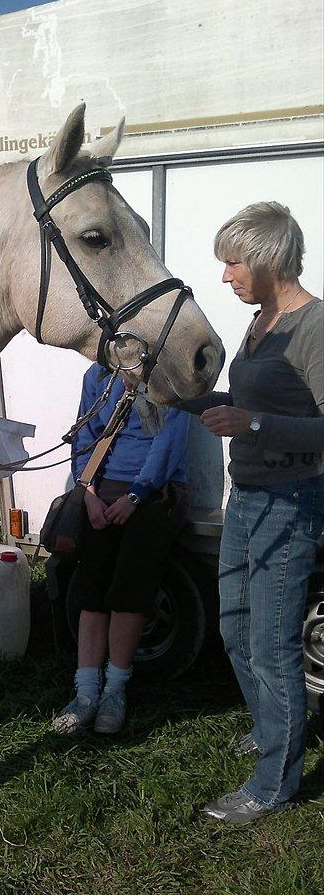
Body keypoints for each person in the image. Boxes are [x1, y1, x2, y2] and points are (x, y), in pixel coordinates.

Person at [179, 201, 323, 825]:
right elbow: (240, 402)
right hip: (246, 496)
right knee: (234, 629)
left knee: (270, 643)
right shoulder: (262, 321)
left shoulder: (315, 325)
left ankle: (273, 783)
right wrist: (176, 396)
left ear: (268, 259)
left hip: (291, 499)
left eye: (234, 262)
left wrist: (255, 423)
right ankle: (274, 728)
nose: (225, 274)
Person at [52, 364, 190, 736]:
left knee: (129, 592)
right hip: (103, 491)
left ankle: (114, 691)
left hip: (154, 491)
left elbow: (169, 443)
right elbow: (85, 433)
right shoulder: (97, 376)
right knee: (91, 590)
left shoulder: (169, 376)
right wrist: (88, 493)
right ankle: (85, 694)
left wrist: (135, 496)